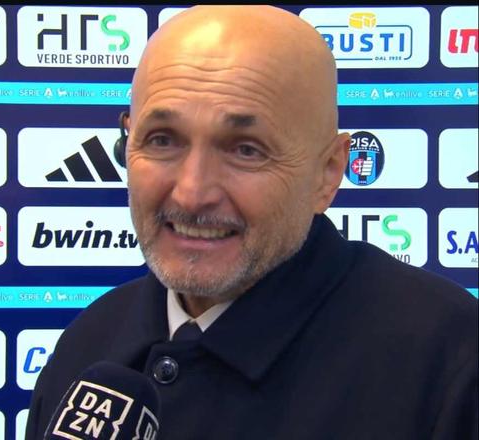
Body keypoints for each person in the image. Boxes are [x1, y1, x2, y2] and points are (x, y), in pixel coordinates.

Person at [26, 5, 477, 439]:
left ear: (328, 173)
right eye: (162, 140)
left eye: (246, 149)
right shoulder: (88, 342)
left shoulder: (451, 363)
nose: (191, 193)